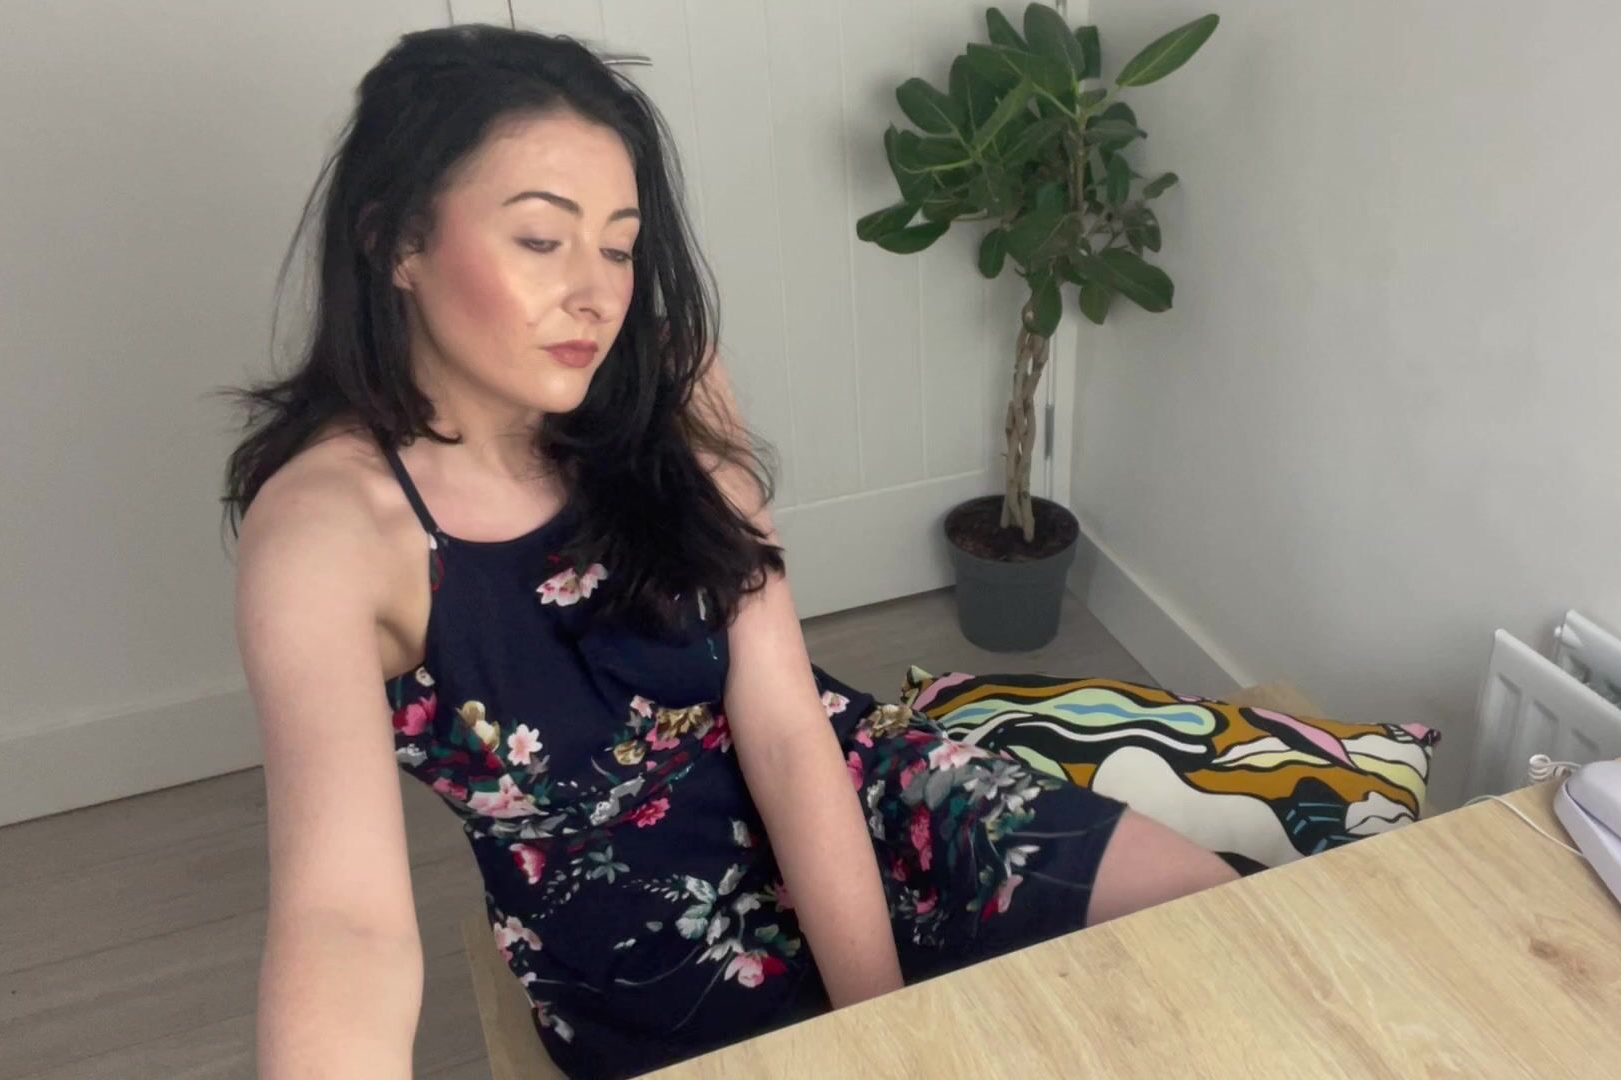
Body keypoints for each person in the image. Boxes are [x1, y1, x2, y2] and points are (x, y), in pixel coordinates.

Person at [221, 23, 1237, 1078]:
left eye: (619, 246)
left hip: (843, 790)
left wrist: (883, 1024)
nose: (597, 293)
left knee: (1202, 917)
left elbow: (786, 724)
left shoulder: (671, 378)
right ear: (396, 243)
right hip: (645, 939)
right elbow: (343, 922)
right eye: (541, 239)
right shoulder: (326, 534)